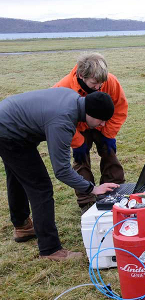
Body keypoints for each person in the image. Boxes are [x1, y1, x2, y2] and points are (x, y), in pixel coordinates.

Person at [0, 88, 119, 260]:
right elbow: (62, 170)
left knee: (18, 176)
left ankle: (22, 226)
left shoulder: (73, 99)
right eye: (101, 120)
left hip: (8, 121)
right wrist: (92, 189)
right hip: (8, 131)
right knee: (41, 187)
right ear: (91, 113)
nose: (102, 125)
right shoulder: (63, 121)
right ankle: (50, 250)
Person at [53, 53, 128, 213]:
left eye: (102, 82)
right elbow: (58, 120)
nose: (99, 87)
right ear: (81, 75)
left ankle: (114, 192)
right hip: (77, 128)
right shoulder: (62, 88)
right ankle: (86, 201)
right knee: (81, 162)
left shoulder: (110, 81)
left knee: (110, 156)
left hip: (103, 125)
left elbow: (120, 108)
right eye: (94, 83)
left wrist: (108, 134)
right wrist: (77, 142)